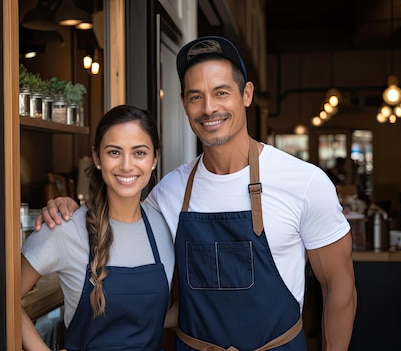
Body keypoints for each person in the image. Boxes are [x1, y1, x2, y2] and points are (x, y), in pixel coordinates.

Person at [35, 36, 356, 351]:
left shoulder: (304, 182)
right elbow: (119, 231)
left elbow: (339, 288)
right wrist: (70, 211)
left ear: (246, 94)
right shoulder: (167, 194)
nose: (209, 108)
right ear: (184, 104)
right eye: (195, 96)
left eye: (221, 92)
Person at [20, 105, 176, 350]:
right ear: (96, 157)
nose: (126, 165)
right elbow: (5, 296)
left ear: (154, 159)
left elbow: (154, 316)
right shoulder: (65, 228)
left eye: (139, 153)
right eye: (114, 152)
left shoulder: (163, 226)